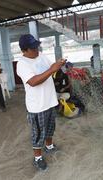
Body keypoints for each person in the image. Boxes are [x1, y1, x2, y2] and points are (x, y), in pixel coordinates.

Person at [16, 34, 66, 171]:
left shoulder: (41, 55)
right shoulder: (22, 64)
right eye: (33, 48)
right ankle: (37, 158)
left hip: (50, 101)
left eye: (37, 46)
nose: (36, 50)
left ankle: (49, 146)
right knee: (38, 133)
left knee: (50, 128)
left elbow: (51, 67)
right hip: (37, 106)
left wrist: (58, 64)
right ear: (24, 50)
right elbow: (33, 82)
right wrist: (52, 69)